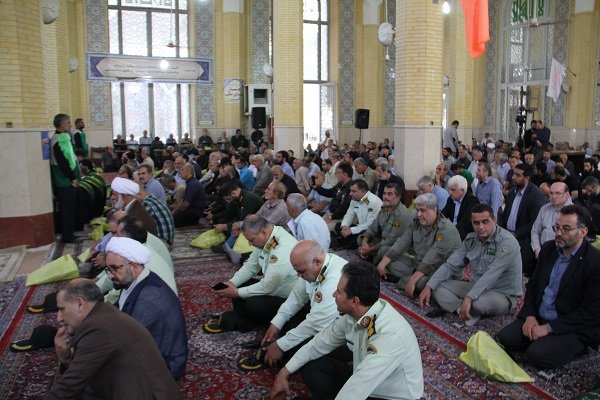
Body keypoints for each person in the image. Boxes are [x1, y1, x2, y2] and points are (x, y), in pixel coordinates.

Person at [270, 261, 424, 400]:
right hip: (367, 380)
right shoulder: (355, 315)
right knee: (313, 365)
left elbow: (358, 388)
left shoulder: (389, 336)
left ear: (354, 301)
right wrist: (283, 373)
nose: (333, 294)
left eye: (339, 291)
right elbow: (318, 344)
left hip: (388, 396)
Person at [497, 205, 600, 369]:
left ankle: (577, 347)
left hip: (571, 326)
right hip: (541, 316)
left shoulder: (594, 262)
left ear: (583, 232)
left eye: (566, 229)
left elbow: (589, 313)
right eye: (556, 227)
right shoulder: (549, 249)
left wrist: (549, 328)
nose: (558, 233)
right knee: (506, 338)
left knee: (536, 355)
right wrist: (530, 316)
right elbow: (533, 287)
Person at [47, 279, 182, 399]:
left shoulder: (97, 330)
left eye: (62, 309)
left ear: (80, 304)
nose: (59, 318)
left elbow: (70, 385)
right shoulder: (104, 313)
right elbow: (83, 372)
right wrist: (65, 358)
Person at [419, 204, 523, 325]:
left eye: (485, 222)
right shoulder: (471, 240)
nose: (481, 227)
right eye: (476, 223)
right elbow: (450, 265)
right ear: (471, 222)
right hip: (476, 286)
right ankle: (461, 310)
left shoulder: (507, 243)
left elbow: (491, 275)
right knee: (436, 285)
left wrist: (469, 297)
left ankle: (465, 307)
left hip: (501, 293)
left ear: (494, 220)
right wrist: (429, 286)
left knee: (479, 303)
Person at [105, 237, 187, 380]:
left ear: (134, 266)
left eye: (115, 268)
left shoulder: (148, 300)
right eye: (108, 269)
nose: (110, 275)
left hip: (164, 369)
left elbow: (127, 343)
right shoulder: (135, 280)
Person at [204, 215, 298, 333]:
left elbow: (268, 286)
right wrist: (232, 283)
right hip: (273, 289)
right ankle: (246, 318)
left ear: (263, 232)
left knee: (253, 304)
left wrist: (237, 292)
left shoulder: (282, 248)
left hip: (287, 298)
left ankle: (248, 321)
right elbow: (250, 266)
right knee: (240, 285)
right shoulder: (267, 238)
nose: (249, 244)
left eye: (251, 240)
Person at [259, 241, 347, 368]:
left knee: (305, 355)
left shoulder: (334, 279)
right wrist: (276, 324)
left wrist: (281, 345)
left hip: (342, 335)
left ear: (317, 262)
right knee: (282, 323)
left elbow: (315, 324)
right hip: (319, 318)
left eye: (301, 271)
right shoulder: (313, 267)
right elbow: (297, 297)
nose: (298, 275)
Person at [376, 193, 461, 298]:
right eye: (417, 210)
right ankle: (406, 280)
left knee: (421, 283)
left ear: (434, 210)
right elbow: (402, 243)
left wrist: (412, 280)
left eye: (422, 210)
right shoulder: (416, 222)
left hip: (437, 271)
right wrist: (382, 264)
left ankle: (405, 281)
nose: (419, 214)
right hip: (417, 265)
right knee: (385, 254)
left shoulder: (446, 229)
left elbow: (432, 259)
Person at [499, 163, 547, 275]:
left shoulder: (536, 195)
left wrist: (515, 234)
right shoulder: (512, 192)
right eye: (513, 174)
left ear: (527, 178)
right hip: (507, 236)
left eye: (517, 175)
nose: (513, 177)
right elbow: (505, 215)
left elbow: (534, 223)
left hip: (524, 240)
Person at [357, 183, 411, 263]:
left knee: (384, 250)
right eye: (384, 193)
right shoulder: (384, 208)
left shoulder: (402, 215)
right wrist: (365, 242)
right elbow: (373, 228)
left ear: (398, 197)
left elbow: (391, 240)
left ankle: (370, 257)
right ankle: (367, 254)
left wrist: (371, 249)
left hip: (393, 245)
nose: (385, 197)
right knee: (360, 238)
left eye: (390, 194)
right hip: (381, 241)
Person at [50, 113, 81, 243]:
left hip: (66, 181)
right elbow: (63, 162)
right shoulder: (58, 140)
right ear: (61, 124)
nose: (70, 125)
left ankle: (70, 233)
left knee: (70, 209)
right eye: (68, 123)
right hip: (64, 182)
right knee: (66, 210)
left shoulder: (62, 138)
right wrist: (72, 178)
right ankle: (67, 236)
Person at [332, 179, 383, 249]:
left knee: (361, 236)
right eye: (351, 191)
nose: (350, 193)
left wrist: (352, 230)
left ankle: (345, 243)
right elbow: (349, 215)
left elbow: (370, 225)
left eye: (353, 191)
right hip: (360, 227)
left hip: (371, 231)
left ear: (363, 191)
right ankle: (346, 243)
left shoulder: (373, 202)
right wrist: (345, 226)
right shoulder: (354, 199)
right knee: (338, 226)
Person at [531, 182, 572, 259]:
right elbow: (535, 231)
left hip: (563, 254)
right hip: (542, 251)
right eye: (551, 193)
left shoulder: (574, 212)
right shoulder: (544, 208)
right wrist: (537, 249)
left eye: (557, 193)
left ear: (567, 194)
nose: (553, 196)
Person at [441, 175, 480, 240]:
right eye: (450, 189)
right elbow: (443, 215)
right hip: (451, 231)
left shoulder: (472, 201)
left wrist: (450, 231)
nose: (450, 193)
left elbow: (465, 222)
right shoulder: (450, 199)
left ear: (462, 190)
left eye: (453, 190)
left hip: (465, 235)